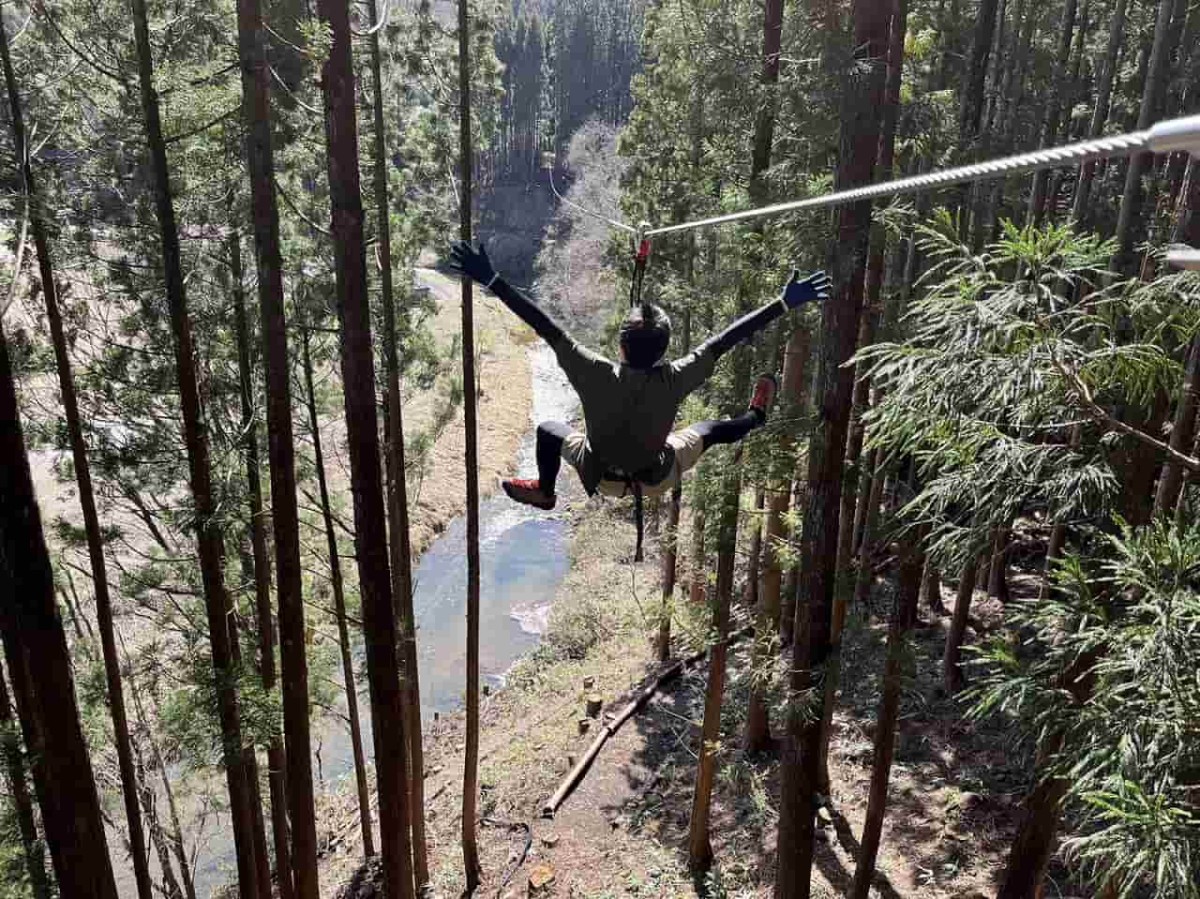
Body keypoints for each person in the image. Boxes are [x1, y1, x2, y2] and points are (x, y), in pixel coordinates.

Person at [446, 241, 830, 513]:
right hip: (655, 477)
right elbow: (728, 337)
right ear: (664, 349)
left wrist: (491, 278)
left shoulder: (590, 369)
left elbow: (541, 323)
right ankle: (757, 417)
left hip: (599, 475)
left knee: (548, 430)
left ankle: (545, 492)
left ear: (621, 346)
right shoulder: (676, 376)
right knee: (711, 430)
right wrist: (783, 302)